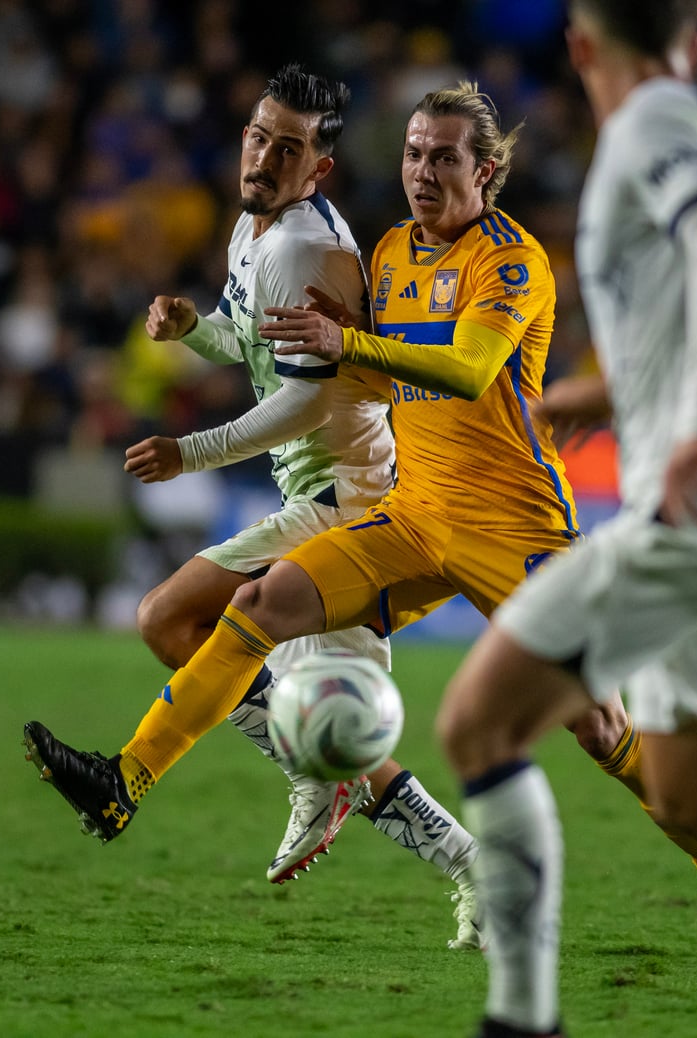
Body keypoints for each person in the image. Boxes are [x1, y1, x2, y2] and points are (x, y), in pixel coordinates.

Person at [25, 75, 697, 968]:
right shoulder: (387, 254)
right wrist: (289, 349)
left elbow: (465, 368)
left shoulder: (514, 262)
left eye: (443, 158)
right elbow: (379, 379)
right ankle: (124, 782)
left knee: (598, 726)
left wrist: (343, 349)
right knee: (258, 608)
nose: (422, 172)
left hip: (517, 533)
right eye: (413, 154)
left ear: (485, 172)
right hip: (411, 517)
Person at [433, 2, 697, 1034]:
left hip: (696, 505)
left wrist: (693, 419)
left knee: (478, 724)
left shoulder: (645, 124)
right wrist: (609, 397)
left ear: (578, 47)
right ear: (691, 42)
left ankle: (519, 1019)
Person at [103, 63, 488, 948]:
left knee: (176, 622)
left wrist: (192, 452)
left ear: (320, 167)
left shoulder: (305, 248)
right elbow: (254, 343)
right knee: (320, 723)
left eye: (289, 146)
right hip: (315, 494)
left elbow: (310, 399)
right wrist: (194, 328)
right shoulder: (255, 229)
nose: (265, 155)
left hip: (347, 503)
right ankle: (463, 859)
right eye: (257, 134)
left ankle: (370, 808)